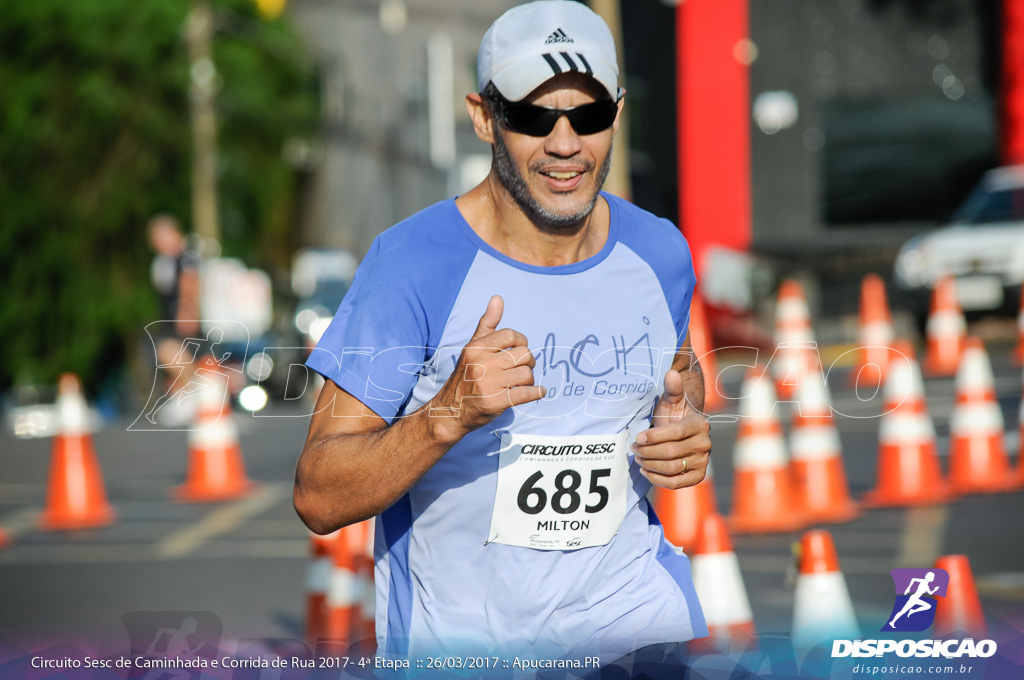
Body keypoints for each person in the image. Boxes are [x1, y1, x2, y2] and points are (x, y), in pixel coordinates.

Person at [294, 0, 711, 665]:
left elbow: (681, 379)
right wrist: (445, 415)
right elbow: (318, 492)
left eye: (590, 114)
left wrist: (685, 424)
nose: (566, 143)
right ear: (484, 118)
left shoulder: (659, 252)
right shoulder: (413, 264)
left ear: (619, 115)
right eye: (532, 116)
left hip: (633, 628)